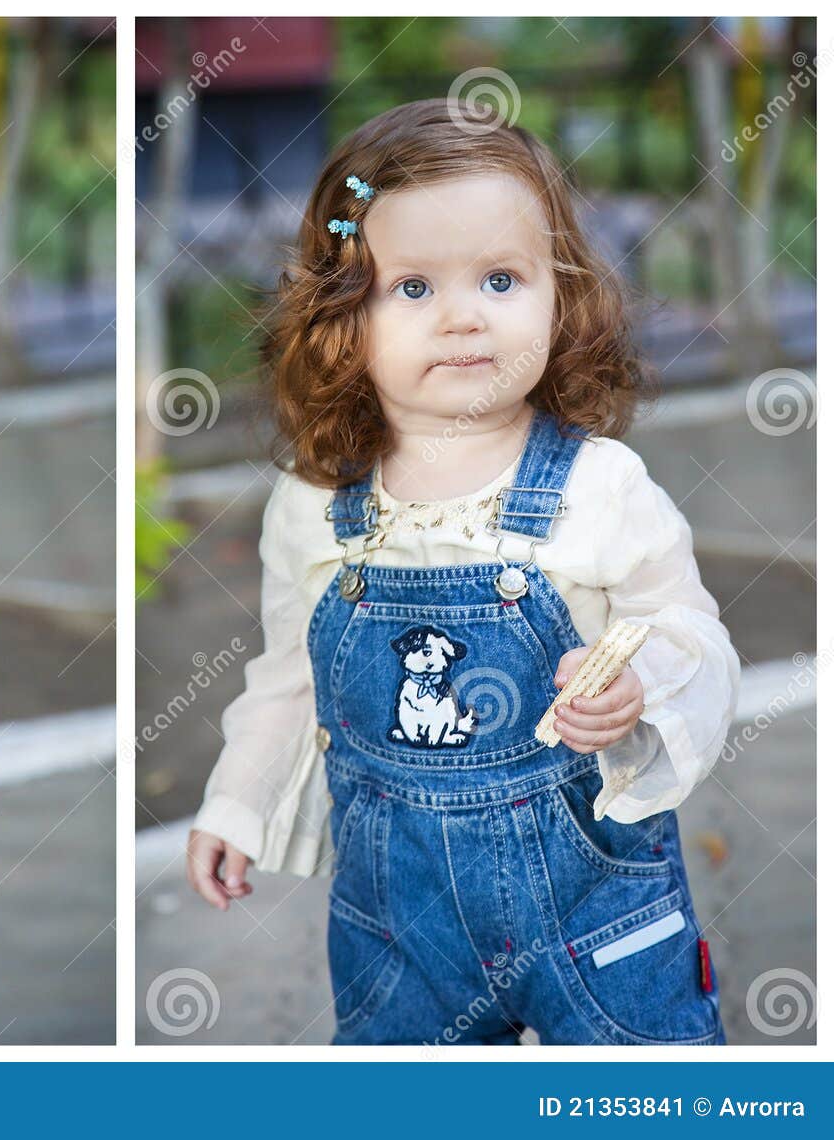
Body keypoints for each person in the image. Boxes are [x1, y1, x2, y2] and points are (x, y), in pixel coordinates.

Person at [187, 99, 737, 1044]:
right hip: (401, 936)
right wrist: (239, 801)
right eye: (411, 289)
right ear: (340, 316)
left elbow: (692, 632)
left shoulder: (602, 487)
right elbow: (290, 679)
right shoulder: (316, 506)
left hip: (599, 918)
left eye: (499, 278)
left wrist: (644, 686)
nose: (462, 318)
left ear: (560, 294)